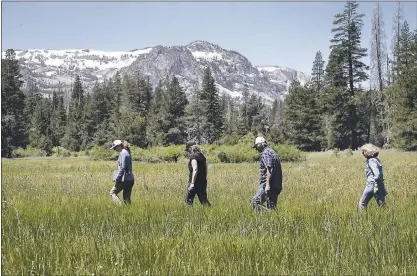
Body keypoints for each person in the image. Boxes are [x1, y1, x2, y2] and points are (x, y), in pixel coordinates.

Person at [251, 136, 283, 211]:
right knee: (271, 207)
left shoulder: (266, 153)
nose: (256, 149)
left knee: (254, 203)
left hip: (268, 185)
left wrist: (267, 186)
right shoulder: (273, 152)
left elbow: (269, 168)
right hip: (277, 186)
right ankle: (271, 215)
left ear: (260, 145)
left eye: (256, 146)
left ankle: (270, 213)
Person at [358, 143, 387, 211]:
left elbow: (377, 175)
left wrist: (376, 184)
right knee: (382, 205)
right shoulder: (376, 160)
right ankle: (385, 217)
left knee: (362, 204)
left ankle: (362, 219)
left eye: (364, 152)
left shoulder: (371, 161)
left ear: (369, 152)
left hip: (372, 185)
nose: (363, 153)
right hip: (380, 185)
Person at [184, 141, 211, 207]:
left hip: (194, 182)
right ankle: (211, 210)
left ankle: (189, 214)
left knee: (188, 201)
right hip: (202, 182)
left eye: (188, 150)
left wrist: (192, 183)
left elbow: (195, 169)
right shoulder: (202, 156)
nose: (188, 152)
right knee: (204, 200)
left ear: (190, 148)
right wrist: (204, 178)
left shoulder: (193, 157)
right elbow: (206, 168)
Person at [109, 140, 135, 205]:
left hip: (124, 179)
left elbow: (123, 167)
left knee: (112, 192)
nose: (114, 149)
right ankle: (129, 211)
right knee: (126, 199)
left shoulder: (123, 153)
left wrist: (118, 178)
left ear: (119, 146)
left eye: (115, 148)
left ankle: (119, 207)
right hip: (130, 179)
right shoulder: (127, 152)